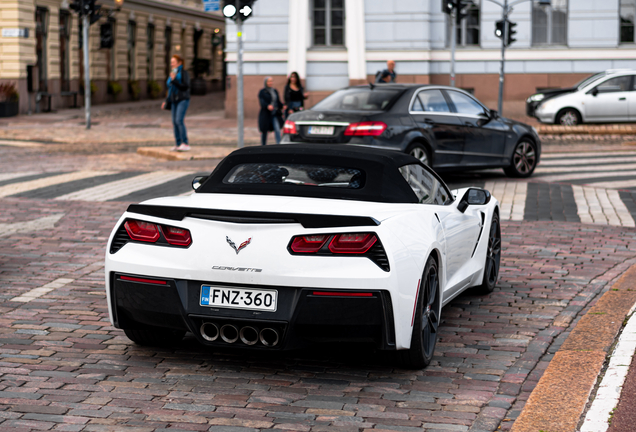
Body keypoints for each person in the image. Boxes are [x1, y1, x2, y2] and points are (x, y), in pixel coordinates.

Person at [162, 55, 191, 151]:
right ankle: (178, 143)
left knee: (179, 120)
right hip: (174, 100)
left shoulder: (183, 73)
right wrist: (166, 100)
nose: (171, 64)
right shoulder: (172, 73)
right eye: (171, 62)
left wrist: (174, 80)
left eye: (173, 62)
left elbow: (186, 86)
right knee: (174, 122)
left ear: (179, 63)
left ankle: (185, 143)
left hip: (183, 99)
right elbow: (170, 88)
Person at [258, 77, 283, 145]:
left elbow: (278, 101)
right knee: (264, 131)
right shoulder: (262, 91)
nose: (270, 83)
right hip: (266, 114)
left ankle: (279, 144)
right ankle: (263, 145)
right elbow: (262, 102)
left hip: (274, 113)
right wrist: (267, 106)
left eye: (271, 81)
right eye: (269, 81)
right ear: (266, 82)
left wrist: (282, 105)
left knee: (277, 129)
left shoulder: (274, 91)